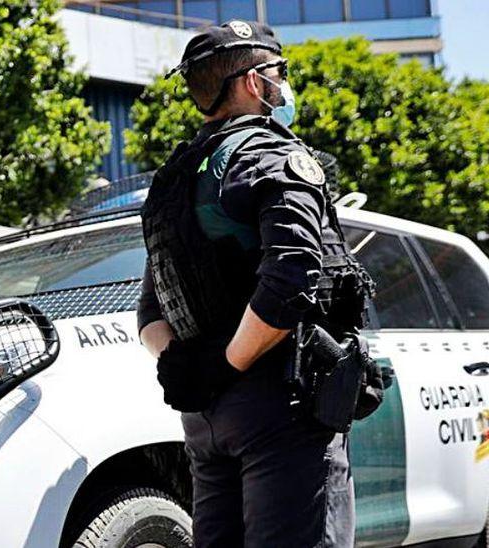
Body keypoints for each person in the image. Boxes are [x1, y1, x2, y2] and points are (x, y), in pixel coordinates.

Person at [137, 21, 367, 547]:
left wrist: (193, 372)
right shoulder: (271, 156)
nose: (284, 84)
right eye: (278, 72)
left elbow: (151, 308)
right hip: (280, 405)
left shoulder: (172, 178)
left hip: (207, 421)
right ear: (251, 82)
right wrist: (228, 365)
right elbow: (292, 278)